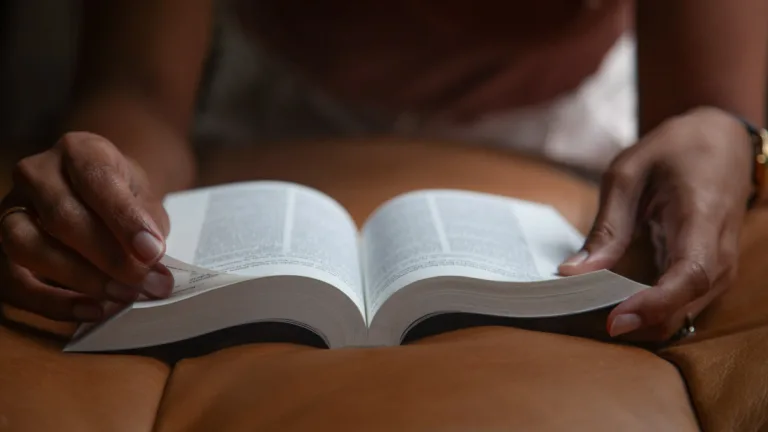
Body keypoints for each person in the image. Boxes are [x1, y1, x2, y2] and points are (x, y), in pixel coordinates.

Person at [0, 0, 765, 341]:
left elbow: (699, 110)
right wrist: (109, 176)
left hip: (572, 135)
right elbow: (139, 88)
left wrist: (726, 138)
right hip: (276, 114)